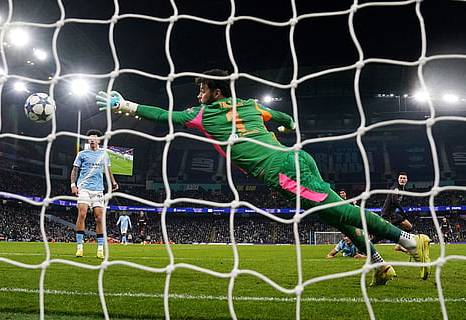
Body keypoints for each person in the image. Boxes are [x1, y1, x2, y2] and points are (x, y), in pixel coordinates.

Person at [96, 69, 431, 284]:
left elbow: (162, 115)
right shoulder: (251, 105)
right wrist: (287, 127)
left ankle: (411, 242)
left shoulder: (199, 114)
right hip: (293, 158)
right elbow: (285, 118)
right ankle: (379, 266)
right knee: (333, 216)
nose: (197, 95)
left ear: (214, 91)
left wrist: (124, 105)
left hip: (280, 170)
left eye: (201, 90)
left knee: (337, 211)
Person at [71, 129, 119, 259]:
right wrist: (73, 185)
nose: (92, 140)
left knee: (99, 218)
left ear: (99, 140)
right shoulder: (82, 154)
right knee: (82, 214)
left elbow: (108, 171)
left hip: (98, 190)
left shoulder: (104, 154)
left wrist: (114, 182)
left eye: (95, 138)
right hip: (84, 188)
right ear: (88, 140)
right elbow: (74, 170)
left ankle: (100, 249)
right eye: (90, 138)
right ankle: (80, 247)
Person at [372, 172, 412, 253]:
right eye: (401, 178)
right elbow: (394, 201)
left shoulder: (401, 189)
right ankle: (368, 245)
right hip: (387, 214)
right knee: (383, 234)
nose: (402, 180)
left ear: (407, 180)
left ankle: (400, 245)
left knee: (409, 226)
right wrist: (403, 211)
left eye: (404, 178)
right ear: (398, 179)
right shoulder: (395, 188)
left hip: (393, 214)